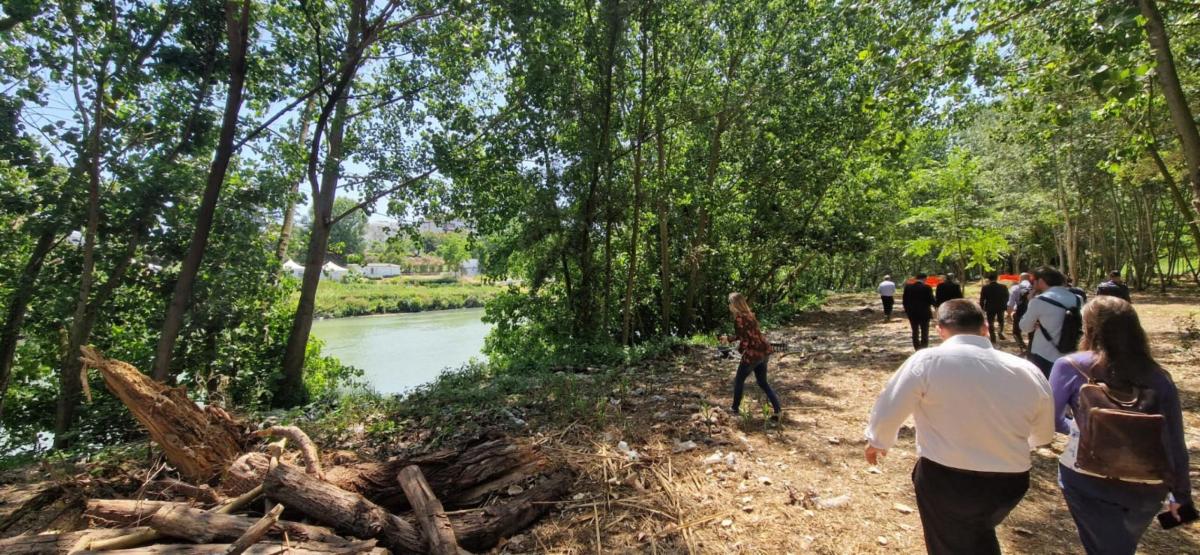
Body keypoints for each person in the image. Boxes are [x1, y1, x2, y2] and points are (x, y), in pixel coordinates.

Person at [865, 300, 1054, 555]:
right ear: (985, 328)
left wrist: (878, 441)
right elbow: (1042, 434)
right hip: (1010, 481)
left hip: (947, 477)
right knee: (975, 533)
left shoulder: (928, 361)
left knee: (950, 541)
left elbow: (891, 404)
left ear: (940, 329)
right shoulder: (1027, 369)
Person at [1049, 296, 1191, 554]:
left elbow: (1051, 418)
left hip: (1086, 478)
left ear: (1090, 328)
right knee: (1120, 546)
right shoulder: (1158, 376)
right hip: (1148, 485)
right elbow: (1174, 439)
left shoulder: (1070, 366)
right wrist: (1181, 495)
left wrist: (1080, 428)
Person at [1020, 266, 1083, 378]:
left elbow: (1025, 327)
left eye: (1033, 281)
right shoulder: (1078, 299)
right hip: (1070, 354)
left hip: (1044, 354)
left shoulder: (1038, 301)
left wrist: (1030, 302)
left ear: (1041, 281)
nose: (1032, 284)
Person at [726, 292, 781, 418]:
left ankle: (734, 409)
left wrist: (737, 351)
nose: (729, 306)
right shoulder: (750, 315)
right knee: (763, 382)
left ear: (735, 304)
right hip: (764, 352)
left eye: (730, 303)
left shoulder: (739, 318)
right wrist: (729, 339)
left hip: (753, 355)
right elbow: (745, 335)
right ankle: (778, 410)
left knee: (739, 380)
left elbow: (745, 341)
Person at [902, 273, 936, 351]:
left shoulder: (908, 287)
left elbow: (904, 301)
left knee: (915, 330)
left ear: (916, 278)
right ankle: (924, 347)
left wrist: (907, 310)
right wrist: (935, 305)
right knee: (925, 331)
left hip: (912, 313)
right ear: (924, 279)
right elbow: (931, 300)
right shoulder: (927, 287)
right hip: (924, 313)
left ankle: (916, 347)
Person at [979, 272, 1009, 343]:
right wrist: (1005, 305)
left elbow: (982, 299)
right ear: (997, 278)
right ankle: (1000, 332)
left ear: (989, 279)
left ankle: (993, 337)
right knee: (1001, 320)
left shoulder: (985, 288)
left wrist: (981, 308)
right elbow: (1007, 297)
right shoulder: (1003, 287)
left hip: (990, 307)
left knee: (990, 322)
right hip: (1000, 307)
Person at [1007, 273, 1033, 353]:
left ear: (1020, 279)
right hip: (1033, 313)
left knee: (1016, 332)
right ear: (1029, 278)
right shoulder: (1035, 288)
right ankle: (1031, 347)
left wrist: (1008, 315)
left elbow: (1010, 305)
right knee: (1032, 331)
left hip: (1020, 312)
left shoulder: (1015, 288)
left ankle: (1022, 346)